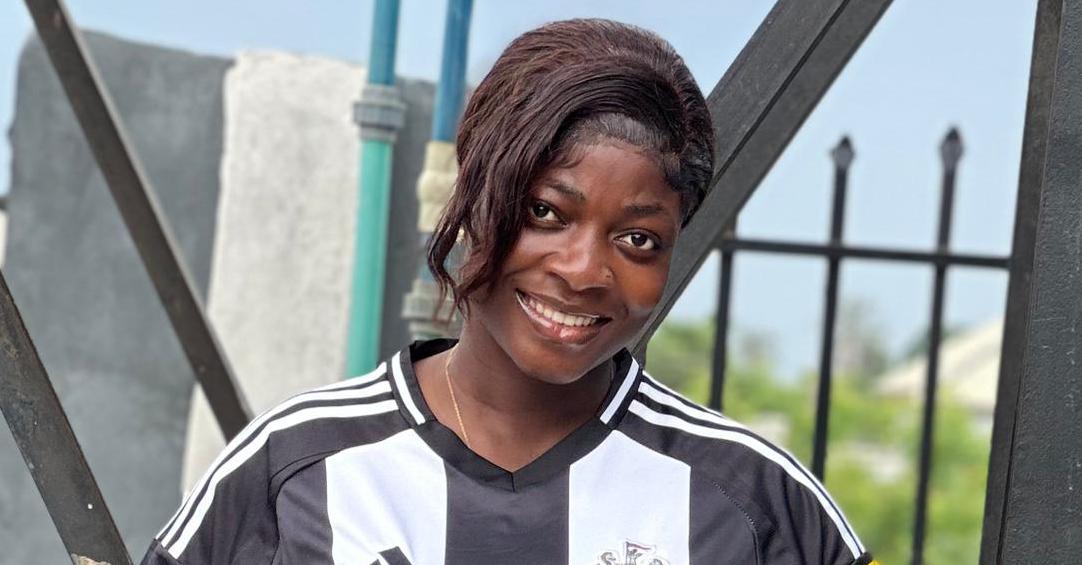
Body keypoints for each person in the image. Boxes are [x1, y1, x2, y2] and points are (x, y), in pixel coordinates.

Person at [142, 18, 875, 565]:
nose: (583, 270)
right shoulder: (293, 464)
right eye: (545, 213)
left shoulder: (755, 500)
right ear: (473, 193)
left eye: (638, 239)